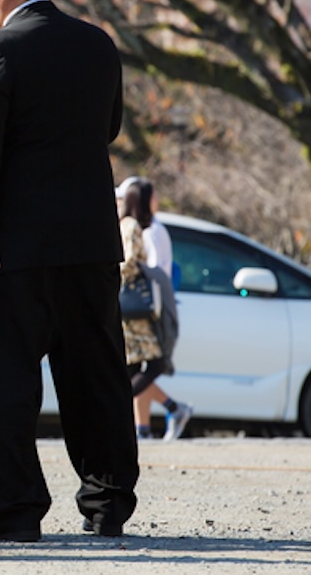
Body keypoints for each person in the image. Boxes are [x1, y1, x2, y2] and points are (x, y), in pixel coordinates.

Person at [0, 0, 139, 541]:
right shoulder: (98, 45)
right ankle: (107, 504)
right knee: (97, 376)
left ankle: (17, 512)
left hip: (15, 249)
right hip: (90, 242)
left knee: (10, 379)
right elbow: (108, 128)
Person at [116, 177, 190, 440]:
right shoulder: (134, 227)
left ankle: (140, 428)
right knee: (155, 363)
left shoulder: (127, 225)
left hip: (128, 309)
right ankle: (118, 411)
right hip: (136, 311)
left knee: (135, 368)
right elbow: (129, 263)